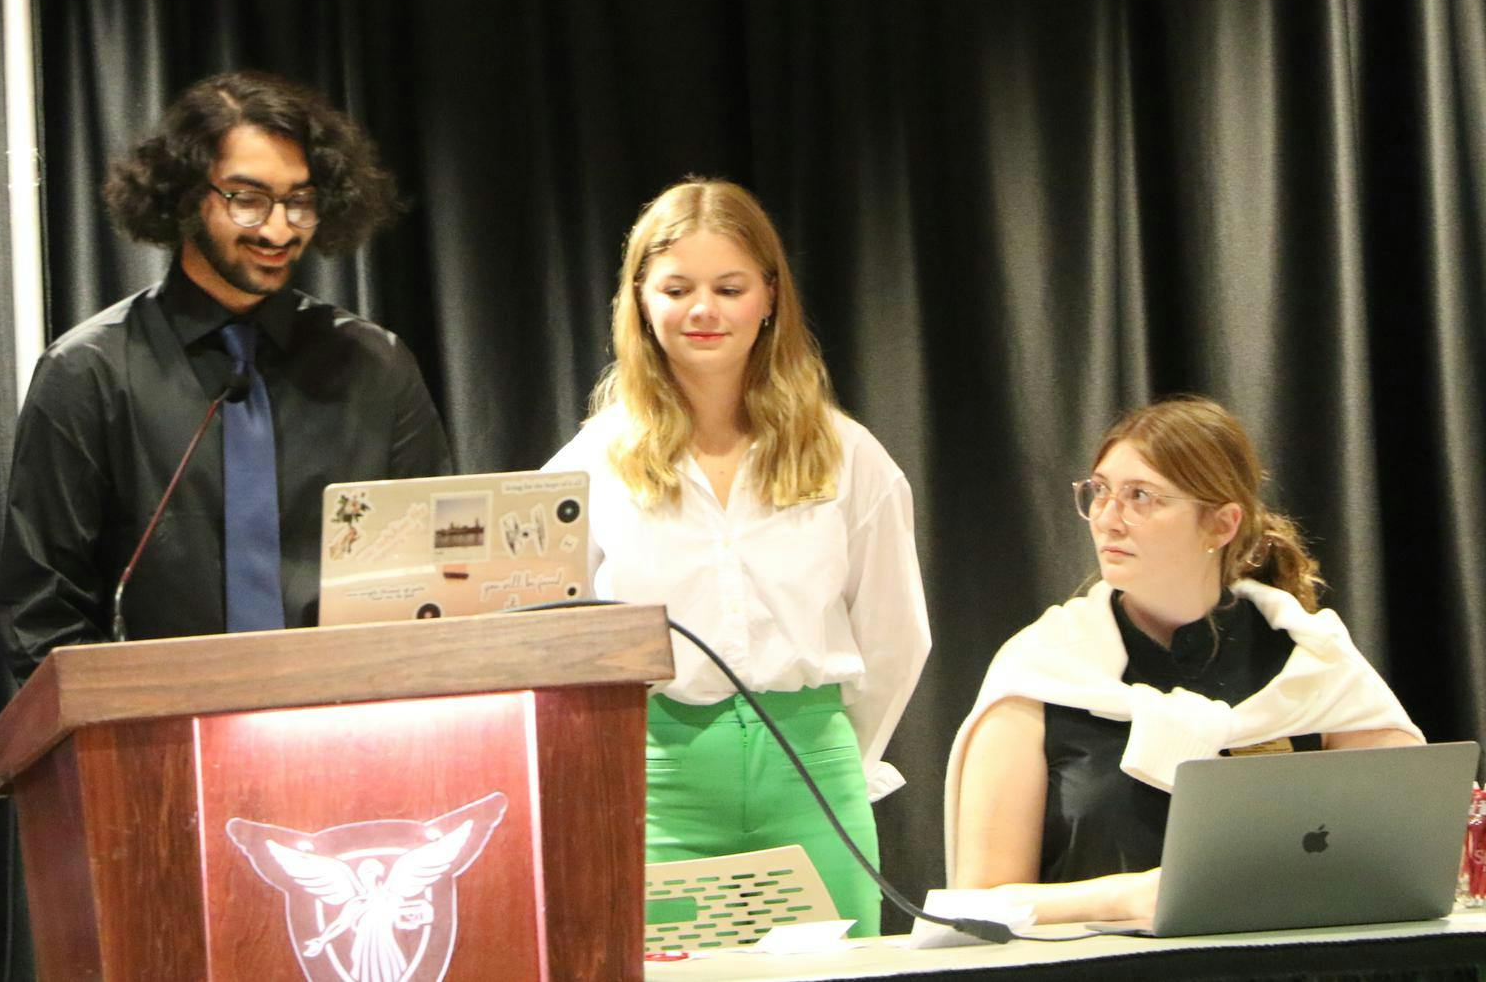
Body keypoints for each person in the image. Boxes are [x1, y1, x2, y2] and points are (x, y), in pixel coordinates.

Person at [545, 178, 929, 937]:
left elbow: (896, 635)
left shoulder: (849, 455)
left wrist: (831, 753)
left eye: (729, 286)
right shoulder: (592, 463)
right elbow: (548, 642)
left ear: (770, 297)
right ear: (641, 302)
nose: (703, 310)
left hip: (813, 780)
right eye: (677, 287)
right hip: (659, 789)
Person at [0, 70, 453, 680]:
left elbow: (442, 579)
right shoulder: (88, 374)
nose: (279, 228)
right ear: (186, 196)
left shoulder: (377, 366)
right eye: (248, 199)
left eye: (300, 200)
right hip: (154, 745)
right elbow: (41, 614)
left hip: (356, 731)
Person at [945, 395, 1421, 923]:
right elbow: (978, 902)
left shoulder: (1311, 662)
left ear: (1221, 525)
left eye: (1141, 496)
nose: (1107, 518)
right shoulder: (1041, 670)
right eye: (1099, 492)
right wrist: (1122, 898)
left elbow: (1408, 847)